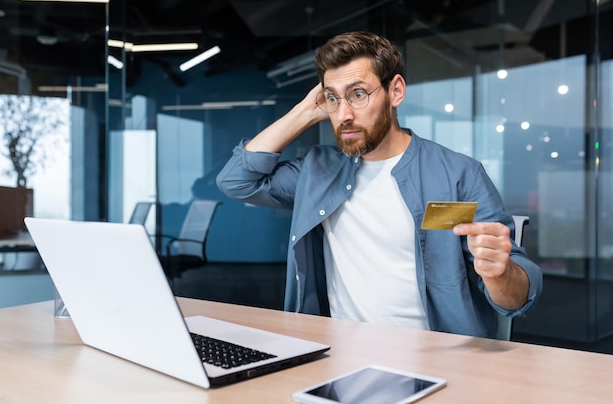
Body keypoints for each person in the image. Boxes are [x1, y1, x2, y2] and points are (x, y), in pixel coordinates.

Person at [216, 31, 542, 338]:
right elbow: (237, 181)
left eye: (358, 94)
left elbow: (514, 300)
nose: (343, 114)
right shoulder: (317, 172)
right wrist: (304, 112)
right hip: (337, 353)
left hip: (438, 358)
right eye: (332, 98)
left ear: (395, 91)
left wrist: (499, 273)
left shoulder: (457, 175)